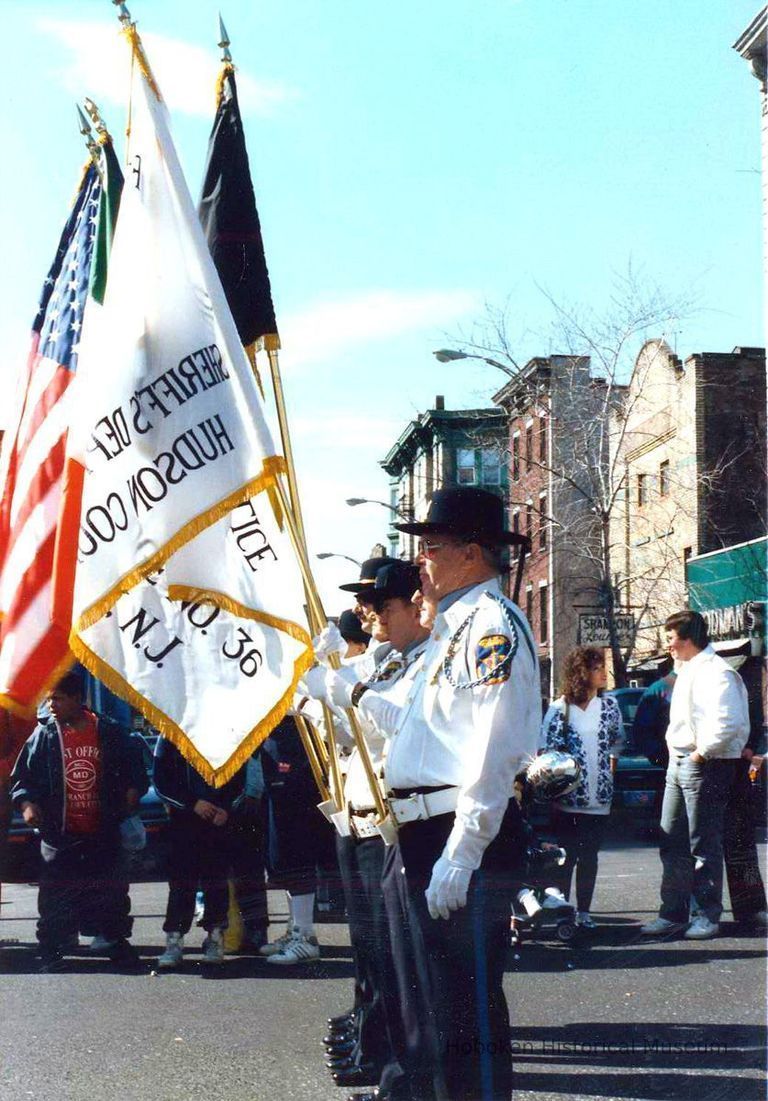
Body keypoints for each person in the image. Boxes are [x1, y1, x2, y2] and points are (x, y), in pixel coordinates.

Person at [370, 486, 540, 1101]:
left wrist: (463, 853)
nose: (421, 562)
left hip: (455, 833)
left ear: (471, 553)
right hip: (418, 833)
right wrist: (348, 694)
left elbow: (495, 750)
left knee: (463, 1016)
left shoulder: (492, 627)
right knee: (423, 1013)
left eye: (431, 548)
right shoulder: (450, 628)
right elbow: (426, 730)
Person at [302, 560, 431, 1095]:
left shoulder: (405, 665)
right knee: (369, 950)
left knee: (391, 958)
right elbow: (346, 735)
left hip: (387, 824)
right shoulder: (380, 666)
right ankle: (375, 1044)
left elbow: (380, 730)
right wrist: (316, 695)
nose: (367, 611)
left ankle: (387, 1057)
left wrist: (337, 685)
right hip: (357, 816)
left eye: (375, 601)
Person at [10, 672, 148, 972]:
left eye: (57, 699)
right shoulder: (44, 736)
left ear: (77, 699)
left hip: (102, 829)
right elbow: (23, 779)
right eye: (49, 700)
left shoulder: (110, 732)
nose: (52, 706)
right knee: (54, 894)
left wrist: (133, 791)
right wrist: (27, 804)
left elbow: (136, 768)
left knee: (111, 890)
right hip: (59, 832)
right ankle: (51, 951)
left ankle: (115, 942)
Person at [641, 610, 750, 940]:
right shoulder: (687, 670)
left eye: (671, 638)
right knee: (671, 838)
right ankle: (672, 913)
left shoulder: (718, 673)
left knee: (702, 842)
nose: (668, 645)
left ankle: (707, 915)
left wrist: (701, 754)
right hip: (679, 762)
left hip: (705, 763)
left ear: (688, 640)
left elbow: (727, 724)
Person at [539, 646, 624, 928]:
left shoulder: (610, 706)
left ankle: (585, 912)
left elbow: (616, 743)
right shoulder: (559, 709)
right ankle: (563, 912)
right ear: (581, 672)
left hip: (599, 799)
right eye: (597, 668)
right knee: (566, 857)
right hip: (567, 800)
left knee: (589, 857)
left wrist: (606, 773)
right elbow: (546, 751)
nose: (603, 673)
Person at [153, 737, 245, 967]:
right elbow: (161, 781)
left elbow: (239, 775)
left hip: (217, 821)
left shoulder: (222, 731)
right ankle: (174, 940)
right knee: (181, 884)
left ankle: (215, 937)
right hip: (184, 821)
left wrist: (226, 807)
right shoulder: (170, 733)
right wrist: (191, 803)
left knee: (216, 881)